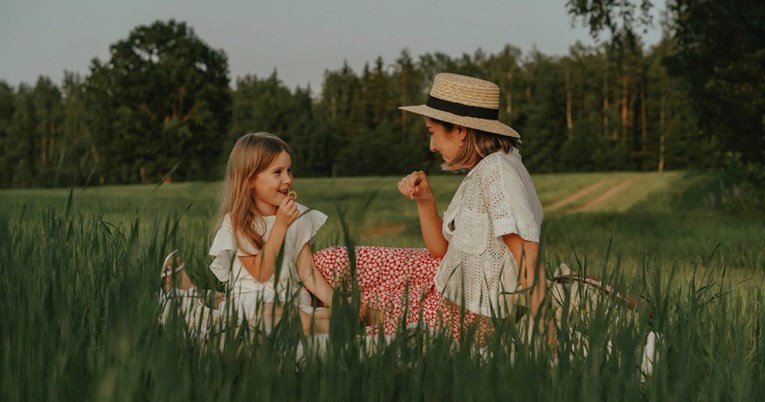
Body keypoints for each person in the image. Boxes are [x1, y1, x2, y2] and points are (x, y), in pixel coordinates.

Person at [313, 73, 547, 341]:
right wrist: (426, 200)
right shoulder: (487, 168)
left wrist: (549, 342)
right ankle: (350, 312)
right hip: (449, 281)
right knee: (328, 261)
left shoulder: (498, 173)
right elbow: (441, 250)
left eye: (433, 133)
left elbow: (530, 257)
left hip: (466, 313)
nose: (432, 146)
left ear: (459, 131)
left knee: (359, 334)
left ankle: (337, 319)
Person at [160, 132, 336, 335]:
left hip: (292, 300)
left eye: (289, 170)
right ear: (250, 179)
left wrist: (336, 302)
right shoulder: (240, 223)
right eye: (277, 172)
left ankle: (201, 302)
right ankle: (201, 310)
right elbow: (261, 273)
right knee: (278, 315)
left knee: (322, 314)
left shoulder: (298, 215)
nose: (288, 179)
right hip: (254, 300)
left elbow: (307, 272)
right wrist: (280, 225)